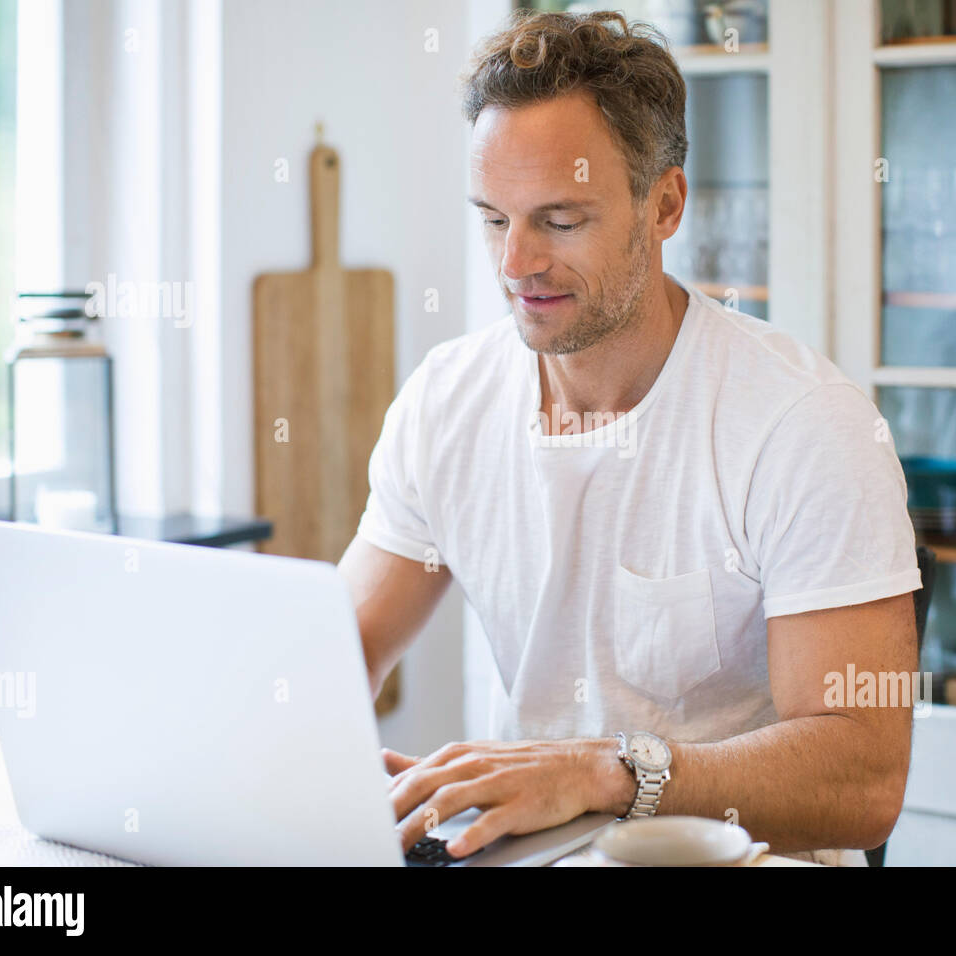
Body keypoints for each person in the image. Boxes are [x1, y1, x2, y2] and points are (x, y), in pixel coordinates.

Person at [337, 9, 922, 866]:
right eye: (494, 219)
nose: (515, 265)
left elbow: (863, 780)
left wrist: (606, 773)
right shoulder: (444, 403)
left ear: (665, 206)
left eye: (561, 221)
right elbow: (339, 654)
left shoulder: (803, 426)